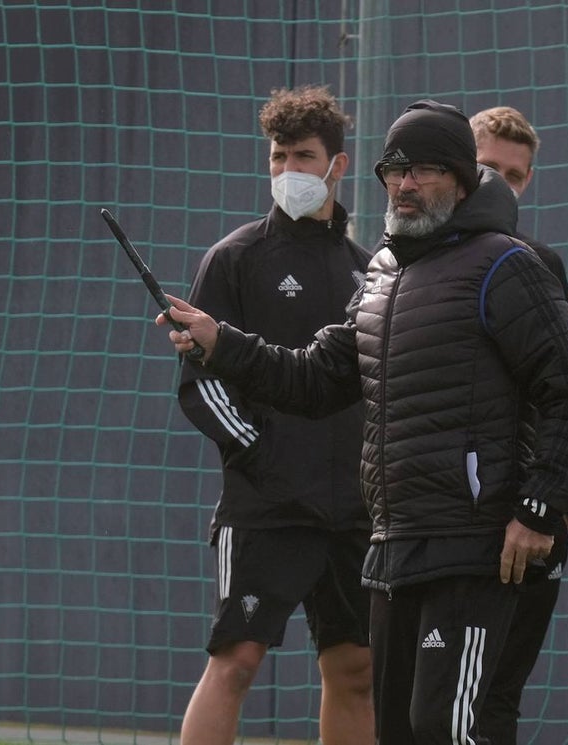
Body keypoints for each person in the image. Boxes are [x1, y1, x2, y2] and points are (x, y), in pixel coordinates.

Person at [159, 99, 568, 745]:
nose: (405, 183)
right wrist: (221, 341)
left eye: (423, 169)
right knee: (396, 728)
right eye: (395, 169)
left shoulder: (507, 265)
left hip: (475, 543)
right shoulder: (384, 273)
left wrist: (541, 506)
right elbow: (316, 379)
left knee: (449, 728)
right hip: (394, 543)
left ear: (459, 177)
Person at [174, 85, 375, 745]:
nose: (290, 170)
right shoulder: (234, 259)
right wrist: (258, 453)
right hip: (265, 506)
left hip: (351, 510)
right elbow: (199, 386)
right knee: (235, 660)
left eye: (304, 156)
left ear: (337, 165)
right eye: (278, 156)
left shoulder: (366, 268)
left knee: (354, 669)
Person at [469, 105, 568, 745]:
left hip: (526, 516)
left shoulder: (539, 265)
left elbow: (567, 389)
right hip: (442, 522)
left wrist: (559, 490)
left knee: (499, 699)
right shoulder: (400, 261)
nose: (500, 185)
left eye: (514, 175)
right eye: (486, 169)